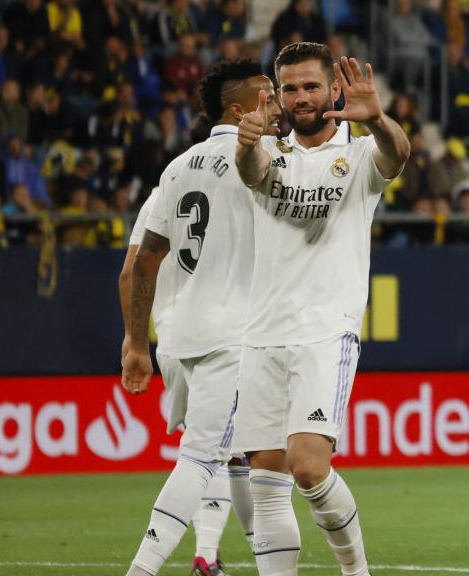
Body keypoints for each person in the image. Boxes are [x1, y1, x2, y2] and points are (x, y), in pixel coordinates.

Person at [233, 41, 409, 576]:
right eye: (290, 88)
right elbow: (250, 170)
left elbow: (397, 155)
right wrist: (245, 143)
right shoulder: (269, 151)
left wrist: (376, 118)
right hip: (262, 334)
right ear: (278, 94)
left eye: (311, 86)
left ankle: (356, 571)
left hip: (325, 333)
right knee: (266, 482)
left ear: (334, 89)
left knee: (308, 468)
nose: (301, 97)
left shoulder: (360, 156)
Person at [120, 58, 282, 576]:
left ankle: (254, 558)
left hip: (181, 336)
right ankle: (146, 568)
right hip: (233, 338)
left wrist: (137, 342)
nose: (277, 105)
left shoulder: (177, 168)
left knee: (242, 455)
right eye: (267, 96)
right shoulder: (264, 159)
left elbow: (144, 262)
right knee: (202, 458)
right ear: (237, 110)